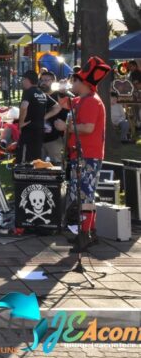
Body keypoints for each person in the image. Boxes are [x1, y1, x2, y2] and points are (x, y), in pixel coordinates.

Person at [54, 56, 110, 253]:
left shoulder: (91, 101)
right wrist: (61, 90)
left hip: (88, 154)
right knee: (85, 194)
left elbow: (88, 127)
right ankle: (89, 232)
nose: (72, 84)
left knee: (84, 195)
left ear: (83, 82)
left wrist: (66, 126)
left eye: (74, 81)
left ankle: (84, 234)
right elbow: (63, 103)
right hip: (82, 154)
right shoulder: (81, 100)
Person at [16, 70, 49, 163]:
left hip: (28, 129)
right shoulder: (42, 93)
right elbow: (57, 107)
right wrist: (43, 117)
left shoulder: (28, 92)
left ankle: (23, 170)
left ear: (27, 80)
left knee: (24, 158)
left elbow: (24, 107)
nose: (22, 82)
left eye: (23, 79)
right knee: (36, 157)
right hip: (40, 129)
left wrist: (21, 123)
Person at [39, 70, 68, 164]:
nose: (43, 82)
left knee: (57, 166)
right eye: (41, 80)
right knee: (37, 167)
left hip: (55, 139)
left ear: (53, 82)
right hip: (39, 139)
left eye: (46, 80)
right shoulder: (38, 96)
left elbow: (66, 114)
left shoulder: (60, 96)